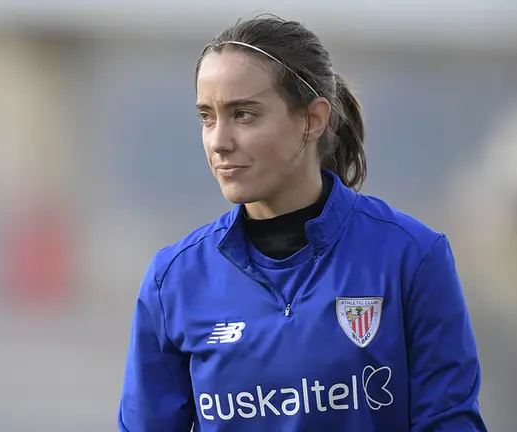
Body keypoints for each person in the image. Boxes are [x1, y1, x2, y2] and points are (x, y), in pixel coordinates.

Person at [117, 15, 487, 432]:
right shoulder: (173, 280)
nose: (219, 140)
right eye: (207, 116)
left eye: (243, 114)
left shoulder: (411, 257)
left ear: (312, 119)